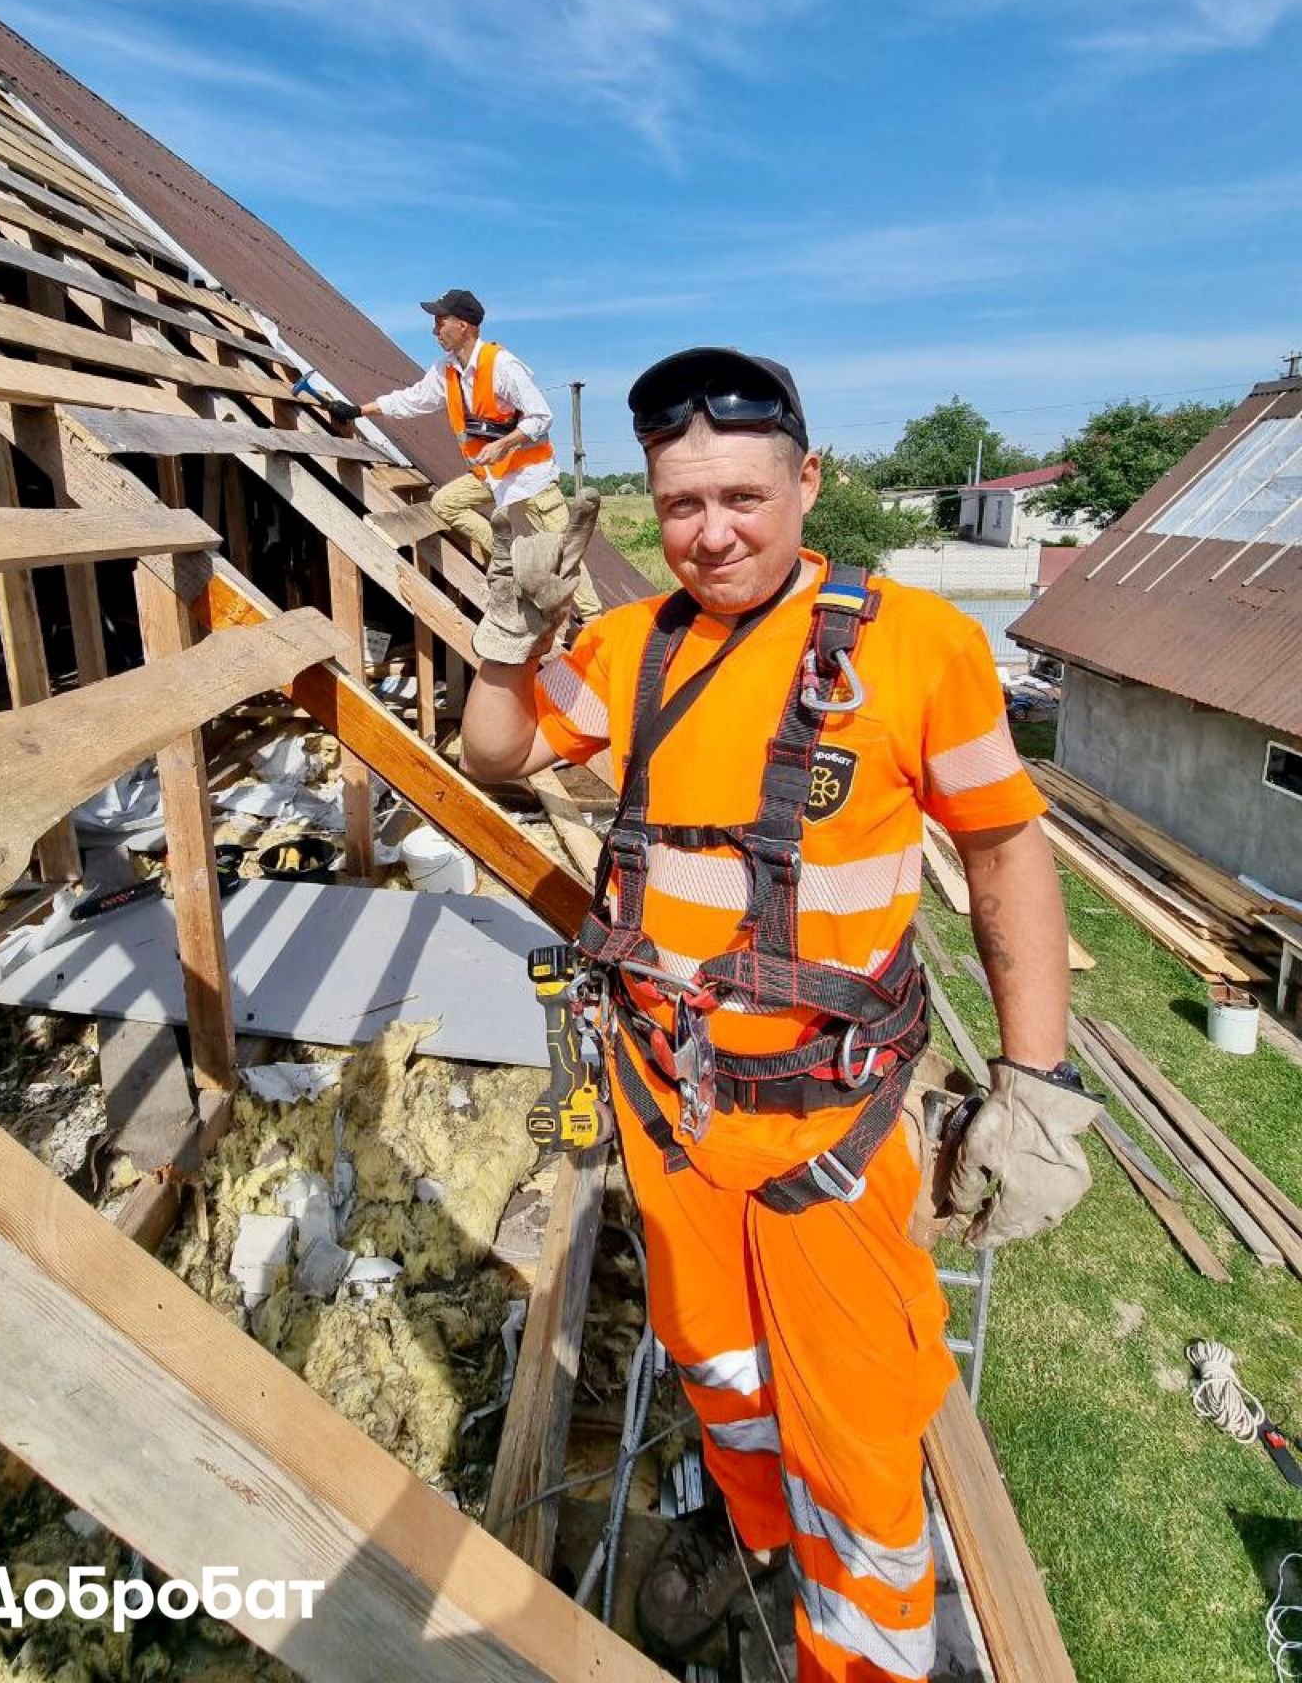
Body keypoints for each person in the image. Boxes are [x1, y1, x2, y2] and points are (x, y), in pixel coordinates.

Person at [458, 346, 1096, 1682]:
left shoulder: (915, 648)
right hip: (675, 1115)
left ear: (808, 481)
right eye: (681, 504)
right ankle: (757, 1537)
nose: (710, 533)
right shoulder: (632, 651)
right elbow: (497, 754)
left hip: (833, 1132)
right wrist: (506, 640)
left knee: (859, 1436)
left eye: (742, 496)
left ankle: (857, 1656)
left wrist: (1036, 1082)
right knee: (720, 1368)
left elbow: (1004, 853)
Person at [358, 288, 601, 624]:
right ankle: (514, 559)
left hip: (530, 476)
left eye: (441, 322)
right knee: (446, 503)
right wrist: (359, 410)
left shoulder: (501, 364)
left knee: (565, 550)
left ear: (465, 325)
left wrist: (504, 444)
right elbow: (413, 400)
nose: (434, 331)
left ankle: (592, 620)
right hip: (491, 475)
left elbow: (541, 416)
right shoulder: (446, 370)